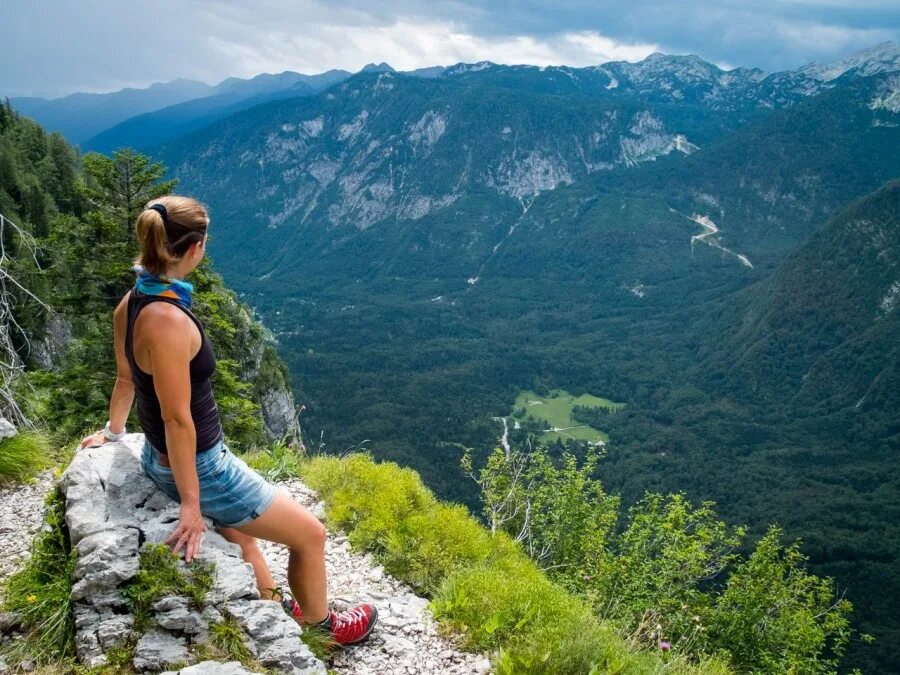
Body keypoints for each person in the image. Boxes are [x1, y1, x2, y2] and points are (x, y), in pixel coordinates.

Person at [79, 195, 377, 645]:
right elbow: (179, 420)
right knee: (311, 536)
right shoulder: (168, 320)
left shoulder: (132, 302)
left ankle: (274, 607)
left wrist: (113, 433)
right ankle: (323, 630)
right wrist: (191, 505)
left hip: (157, 457)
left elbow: (125, 378)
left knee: (241, 534)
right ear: (195, 248)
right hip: (200, 467)